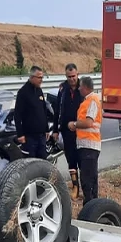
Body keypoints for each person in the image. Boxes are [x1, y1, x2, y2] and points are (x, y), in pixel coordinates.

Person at [52, 63, 84, 200]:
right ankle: (75, 186)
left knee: (82, 158)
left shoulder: (84, 87)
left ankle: (86, 186)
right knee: (71, 158)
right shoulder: (62, 88)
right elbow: (57, 110)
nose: (71, 79)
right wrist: (55, 129)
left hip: (81, 128)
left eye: (74, 76)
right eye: (69, 76)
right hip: (66, 129)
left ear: (77, 74)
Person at [69, 76, 102, 205]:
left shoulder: (92, 100)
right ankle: (92, 206)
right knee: (89, 179)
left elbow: (88, 122)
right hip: (85, 145)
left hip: (90, 145)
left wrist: (75, 124)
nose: (79, 88)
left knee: (88, 181)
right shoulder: (87, 101)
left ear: (86, 87)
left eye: (80, 86)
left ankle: (90, 208)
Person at [15, 66, 50, 159]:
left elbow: (44, 110)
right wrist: (20, 134)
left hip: (41, 135)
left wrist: (46, 129)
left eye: (42, 77)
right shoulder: (23, 92)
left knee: (43, 161)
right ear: (32, 77)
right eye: (39, 78)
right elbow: (17, 115)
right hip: (30, 137)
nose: (41, 80)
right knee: (31, 163)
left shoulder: (39, 90)